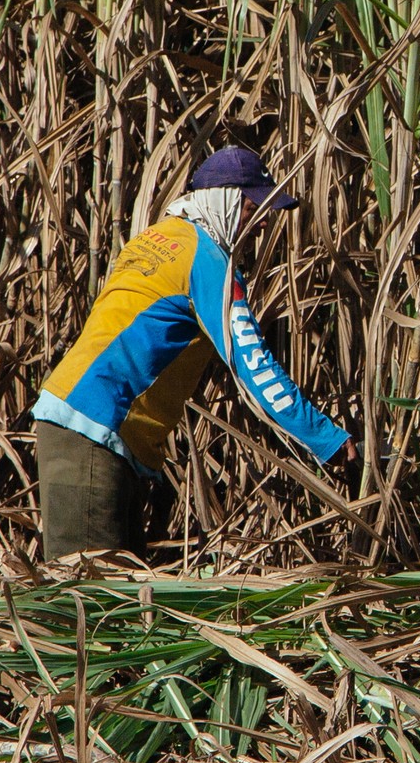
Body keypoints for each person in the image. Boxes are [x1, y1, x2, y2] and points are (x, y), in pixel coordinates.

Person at [32, 146, 351, 561]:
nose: (264, 219)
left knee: (121, 604)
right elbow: (257, 370)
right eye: (255, 205)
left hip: (85, 425)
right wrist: (331, 442)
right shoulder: (208, 260)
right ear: (225, 199)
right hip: (92, 430)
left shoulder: (156, 237)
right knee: (85, 605)